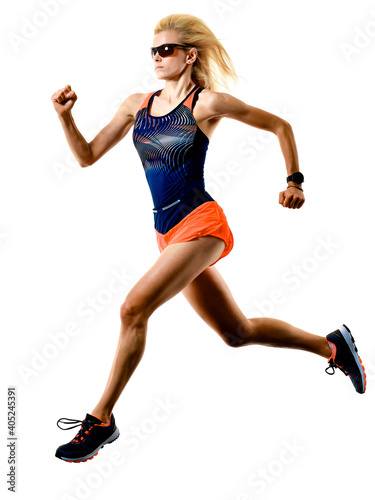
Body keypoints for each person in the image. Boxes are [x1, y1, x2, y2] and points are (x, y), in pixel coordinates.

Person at [51, 14, 366, 463]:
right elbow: (86, 156)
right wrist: (66, 119)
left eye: (167, 50)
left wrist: (294, 180)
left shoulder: (206, 103)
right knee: (237, 332)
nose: (157, 57)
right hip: (168, 234)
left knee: (132, 308)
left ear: (189, 56)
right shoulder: (135, 105)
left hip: (202, 224)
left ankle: (101, 419)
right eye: (153, 50)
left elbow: (281, 126)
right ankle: (332, 345)